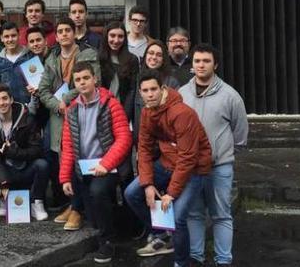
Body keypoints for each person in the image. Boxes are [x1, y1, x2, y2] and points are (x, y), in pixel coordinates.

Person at [124, 70, 212, 262]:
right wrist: (147, 184)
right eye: (145, 91)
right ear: (140, 93)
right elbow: (144, 149)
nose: (150, 94)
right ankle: (162, 234)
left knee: (178, 216)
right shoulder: (147, 112)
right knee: (132, 193)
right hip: (166, 163)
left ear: (162, 89)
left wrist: (170, 193)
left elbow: (188, 157)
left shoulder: (182, 113)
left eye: (153, 89)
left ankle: (181, 261)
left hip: (193, 170)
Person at [179, 44, 248, 267]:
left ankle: (223, 260)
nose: (201, 65)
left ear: (215, 64)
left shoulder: (230, 96)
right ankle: (196, 258)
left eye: (206, 61)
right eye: (197, 61)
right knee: (195, 214)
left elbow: (240, 134)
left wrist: (222, 154)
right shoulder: (181, 94)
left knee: (221, 214)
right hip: (191, 167)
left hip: (219, 167)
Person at [59, 62, 132, 264]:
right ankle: (109, 226)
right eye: (78, 79)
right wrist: (65, 177)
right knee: (93, 214)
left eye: (85, 78)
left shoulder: (110, 103)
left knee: (98, 193)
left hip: (109, 165)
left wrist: (106, 164)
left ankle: (108, 242)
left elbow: (124, 138)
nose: (82, 82)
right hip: (84, 167)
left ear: (94, 79)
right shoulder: (72, 110)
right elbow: (68, 145)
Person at [38, 17, 100, 231]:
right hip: (58, 117)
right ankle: (73, 205)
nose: (64, 34)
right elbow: (43, 89)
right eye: (60, 31)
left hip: (82, 112)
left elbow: (94, 81)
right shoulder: (52, 57)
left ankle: (77, 210)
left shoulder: (88, 54)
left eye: (67, 30)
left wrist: (66, 100)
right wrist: (57, 105)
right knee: (63, 160)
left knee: (79, 161)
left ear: (75, 33)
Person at [0, 84, 49, 220]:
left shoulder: (27, 118)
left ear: (11, 99)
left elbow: (37, 150)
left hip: (25, 167)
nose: (1, 103)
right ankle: (3, 200)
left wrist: (14, 152)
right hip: (4, 169)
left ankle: (37, 203)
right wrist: (3, 181)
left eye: (4, 98)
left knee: (42, 165)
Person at [97, 22, 140, 128]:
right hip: (100, 111)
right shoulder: (97, 58)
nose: (116, 40)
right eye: (112, 36)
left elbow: (132, 90)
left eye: (120, 36)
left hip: (122, 112)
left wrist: (125, 115)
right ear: (106, 36)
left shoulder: (132, 60)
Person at [0, 21, 35, 107]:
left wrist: (32, 107)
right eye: (6, 36)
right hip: (6, 110)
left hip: (28, 109)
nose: (10, 39)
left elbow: (36, 85)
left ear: (19, 36)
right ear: (1, 38)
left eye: (13, 36)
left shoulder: (29, 56)